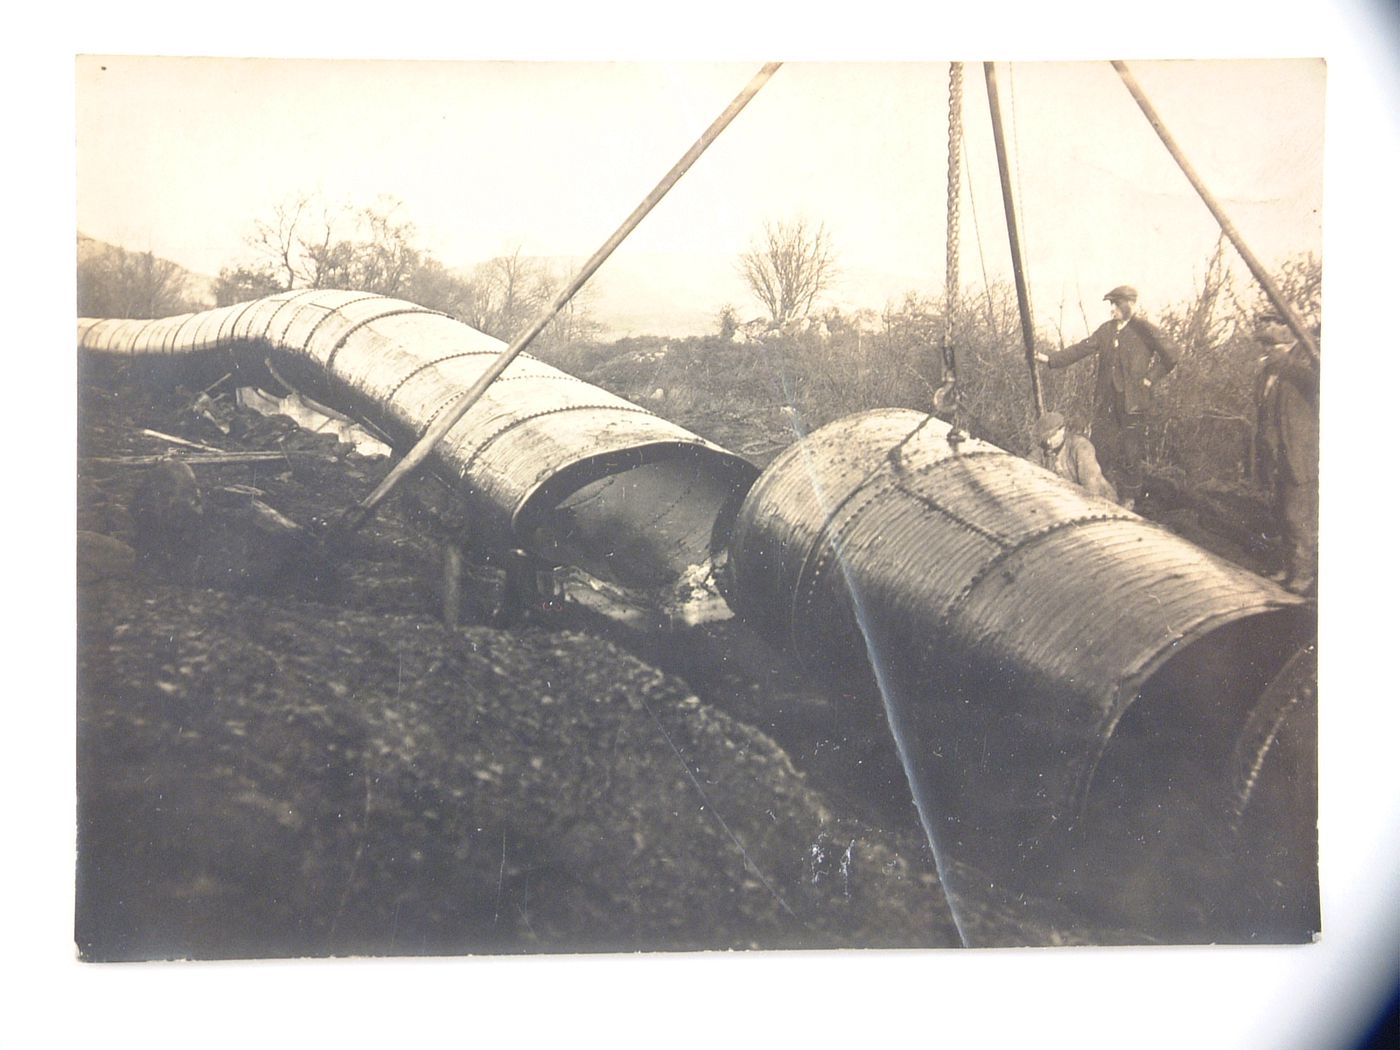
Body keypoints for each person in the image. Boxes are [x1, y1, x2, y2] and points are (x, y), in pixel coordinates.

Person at [1035, 285, 1180, 509]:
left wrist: (1151, 377)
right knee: (1101, 446)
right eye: (1111, 304)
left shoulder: (1144, 329)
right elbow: (1081, 349)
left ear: (1129, 304)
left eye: (1115, 304)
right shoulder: (1106, 330)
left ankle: (1130, 499)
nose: (1112, 309)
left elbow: (1172, 354)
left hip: (1133, 402)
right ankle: (1100, 495)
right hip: (1107, 402)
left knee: (1131, 450)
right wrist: (1050, 360)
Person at [1253, 314, 1318, 596]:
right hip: (1274, 455)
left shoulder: (1302, 374)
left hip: (1296, 455)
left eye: (1272, 345)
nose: (1267, 351)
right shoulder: (1266, 375)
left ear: (1285, 347)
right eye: (1265, 345)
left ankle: (1302, 573)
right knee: (1279, 514)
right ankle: (1286, 567)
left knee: (1296, 517)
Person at [1035, 411, 1120, 504]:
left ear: (1062, 430)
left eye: (1051, 436)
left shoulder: (1081, 446)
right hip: (1069, 501)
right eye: (1045, 438)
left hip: (1102, 502)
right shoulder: (1042, 450)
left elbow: (1091, 487)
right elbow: (1027, 467)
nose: (1048, 442)